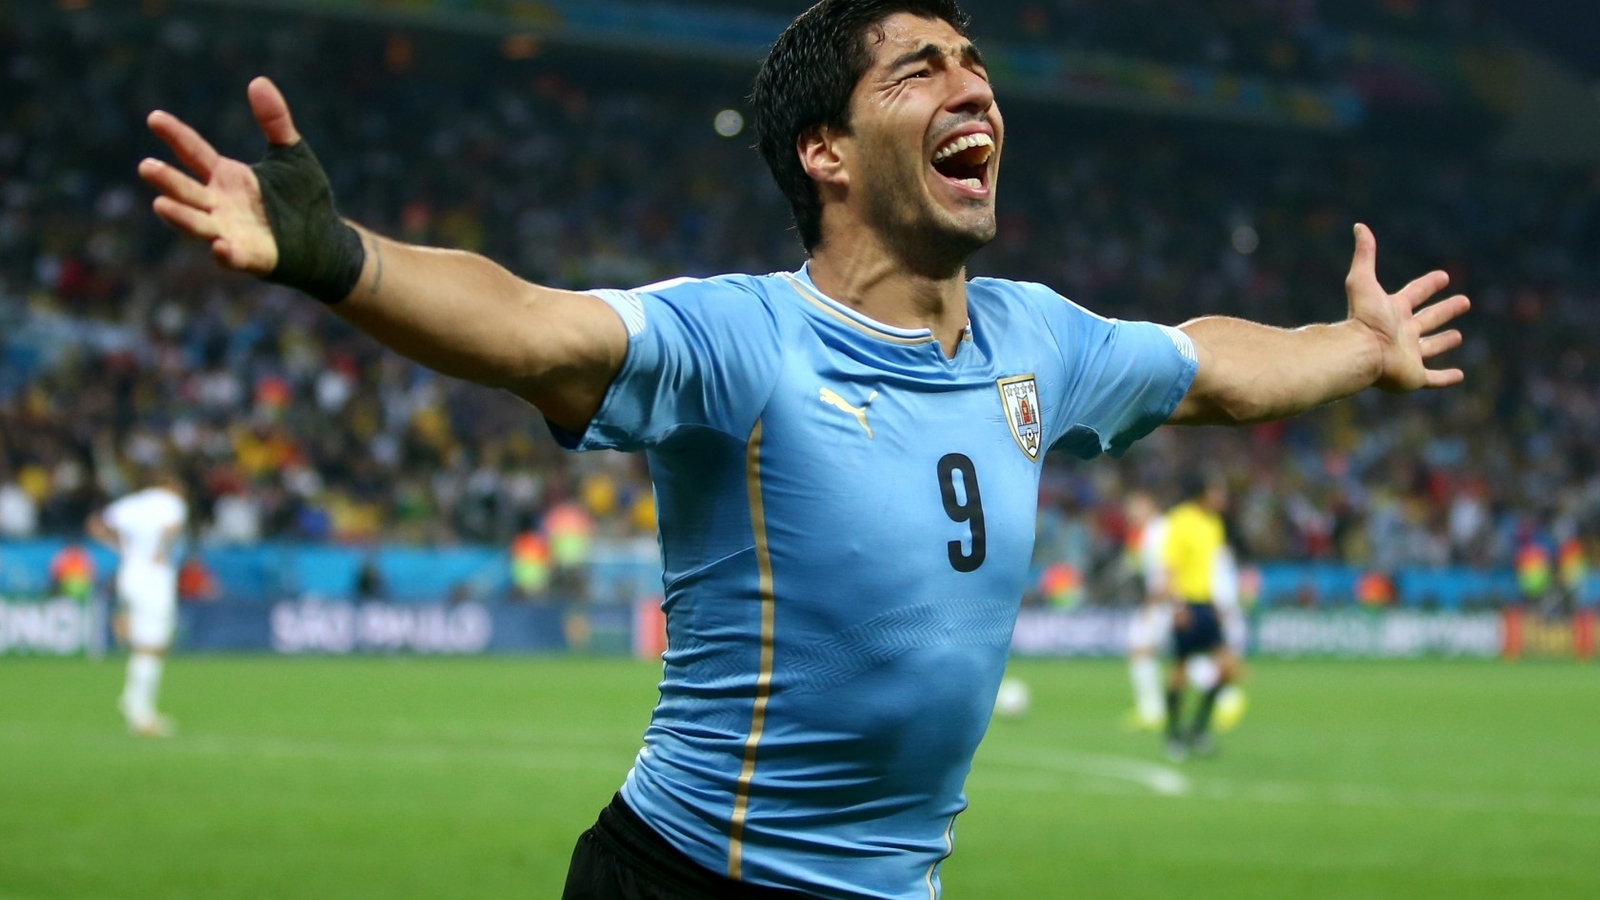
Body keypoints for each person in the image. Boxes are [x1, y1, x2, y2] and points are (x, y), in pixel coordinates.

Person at [136, 1, 1468, 895]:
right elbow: (531, 327)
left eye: (974, 64)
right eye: (919, 69)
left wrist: (1359, 349)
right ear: (824, 151)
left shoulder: (1037, 339)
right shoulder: (746, 340)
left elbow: (1208, 366)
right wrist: (336, 256)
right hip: (694, 878)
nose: (974, 86)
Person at [87, 470, 189, 737]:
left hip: (129, 572)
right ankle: (140, 709)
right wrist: (159, 552)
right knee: (154, 645)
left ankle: (134, 701)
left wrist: (123, 549)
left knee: (144, 644)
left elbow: (95, 525)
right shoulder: (171, 502)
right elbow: (170, 529)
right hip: (155, 576)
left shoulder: (131, 503)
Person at [1158, 473, 1237, 761]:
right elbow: (1171, 567)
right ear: (1203, 493)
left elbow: (1213, 569)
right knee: (1180, 672)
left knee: (1229, 669)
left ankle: (1198, 729)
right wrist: (1177, 606)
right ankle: (1173, 735)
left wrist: (1219, 606)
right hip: (1187, 605)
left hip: (1207, 605)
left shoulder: (1214, 524)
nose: (1222, 497)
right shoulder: (1180, 520)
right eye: (1218, 491)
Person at [1122, 490, 1171, 731]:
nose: (1131, 513)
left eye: (1137, 507)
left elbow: (1168, 570)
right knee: (1188, 653)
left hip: (1167, 600)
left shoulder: (1157, 533)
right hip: (1167, 599)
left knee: (1139, 644)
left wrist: (1152, 605)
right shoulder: (1153, 531)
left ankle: (1151, 711)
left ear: (1150, 506)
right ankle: (1152, 710)